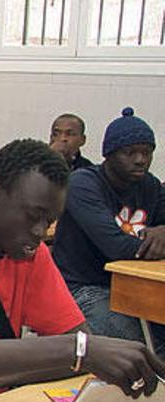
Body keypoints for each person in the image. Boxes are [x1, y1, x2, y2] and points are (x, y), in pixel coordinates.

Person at [0, 138, 165, 399]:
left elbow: (76, 341)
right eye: (33, 216)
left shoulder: (32, 255)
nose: (40, 231)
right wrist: (74, 351)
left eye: (49, 221)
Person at [53, 108, 165, 356]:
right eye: (130, 153)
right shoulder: (83, 184)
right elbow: (115, 247)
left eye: (147, 153)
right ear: (109, 155)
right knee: (139, 348)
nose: (140, 160)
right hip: (80, 286)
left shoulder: (151, 185)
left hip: (132, 286)